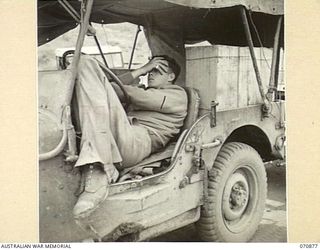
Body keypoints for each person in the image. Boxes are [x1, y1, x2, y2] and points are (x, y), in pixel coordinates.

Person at [72, 55, 188, 218]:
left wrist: (140, 70)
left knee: (87, 63)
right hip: (122, 136)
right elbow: (106, 87)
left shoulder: (177, 95)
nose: (150, 74)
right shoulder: (147, 90)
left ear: (171, 77)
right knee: (83, 68)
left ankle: (99, 174)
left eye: (156, 70)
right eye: (149, 70)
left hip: (137, 142)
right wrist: (142, 70)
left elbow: (115, 89)